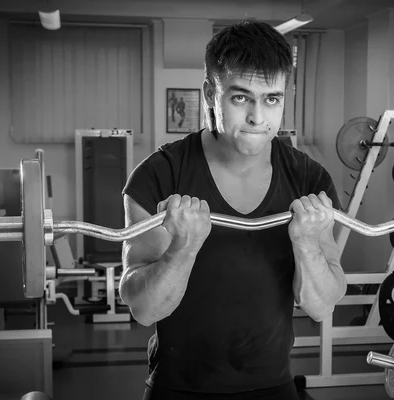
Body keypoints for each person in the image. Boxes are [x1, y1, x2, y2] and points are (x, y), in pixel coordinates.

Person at [120, 19, 347, 400]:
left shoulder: (309, 179)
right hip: (178, 389)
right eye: (241, 98)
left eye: (272, 99)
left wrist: (307, 243)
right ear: (211, 94)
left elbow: (322, 306)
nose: (259, 118)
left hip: (274, 387)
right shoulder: (158, 176)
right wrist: (184, 247)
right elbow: (143, 309)